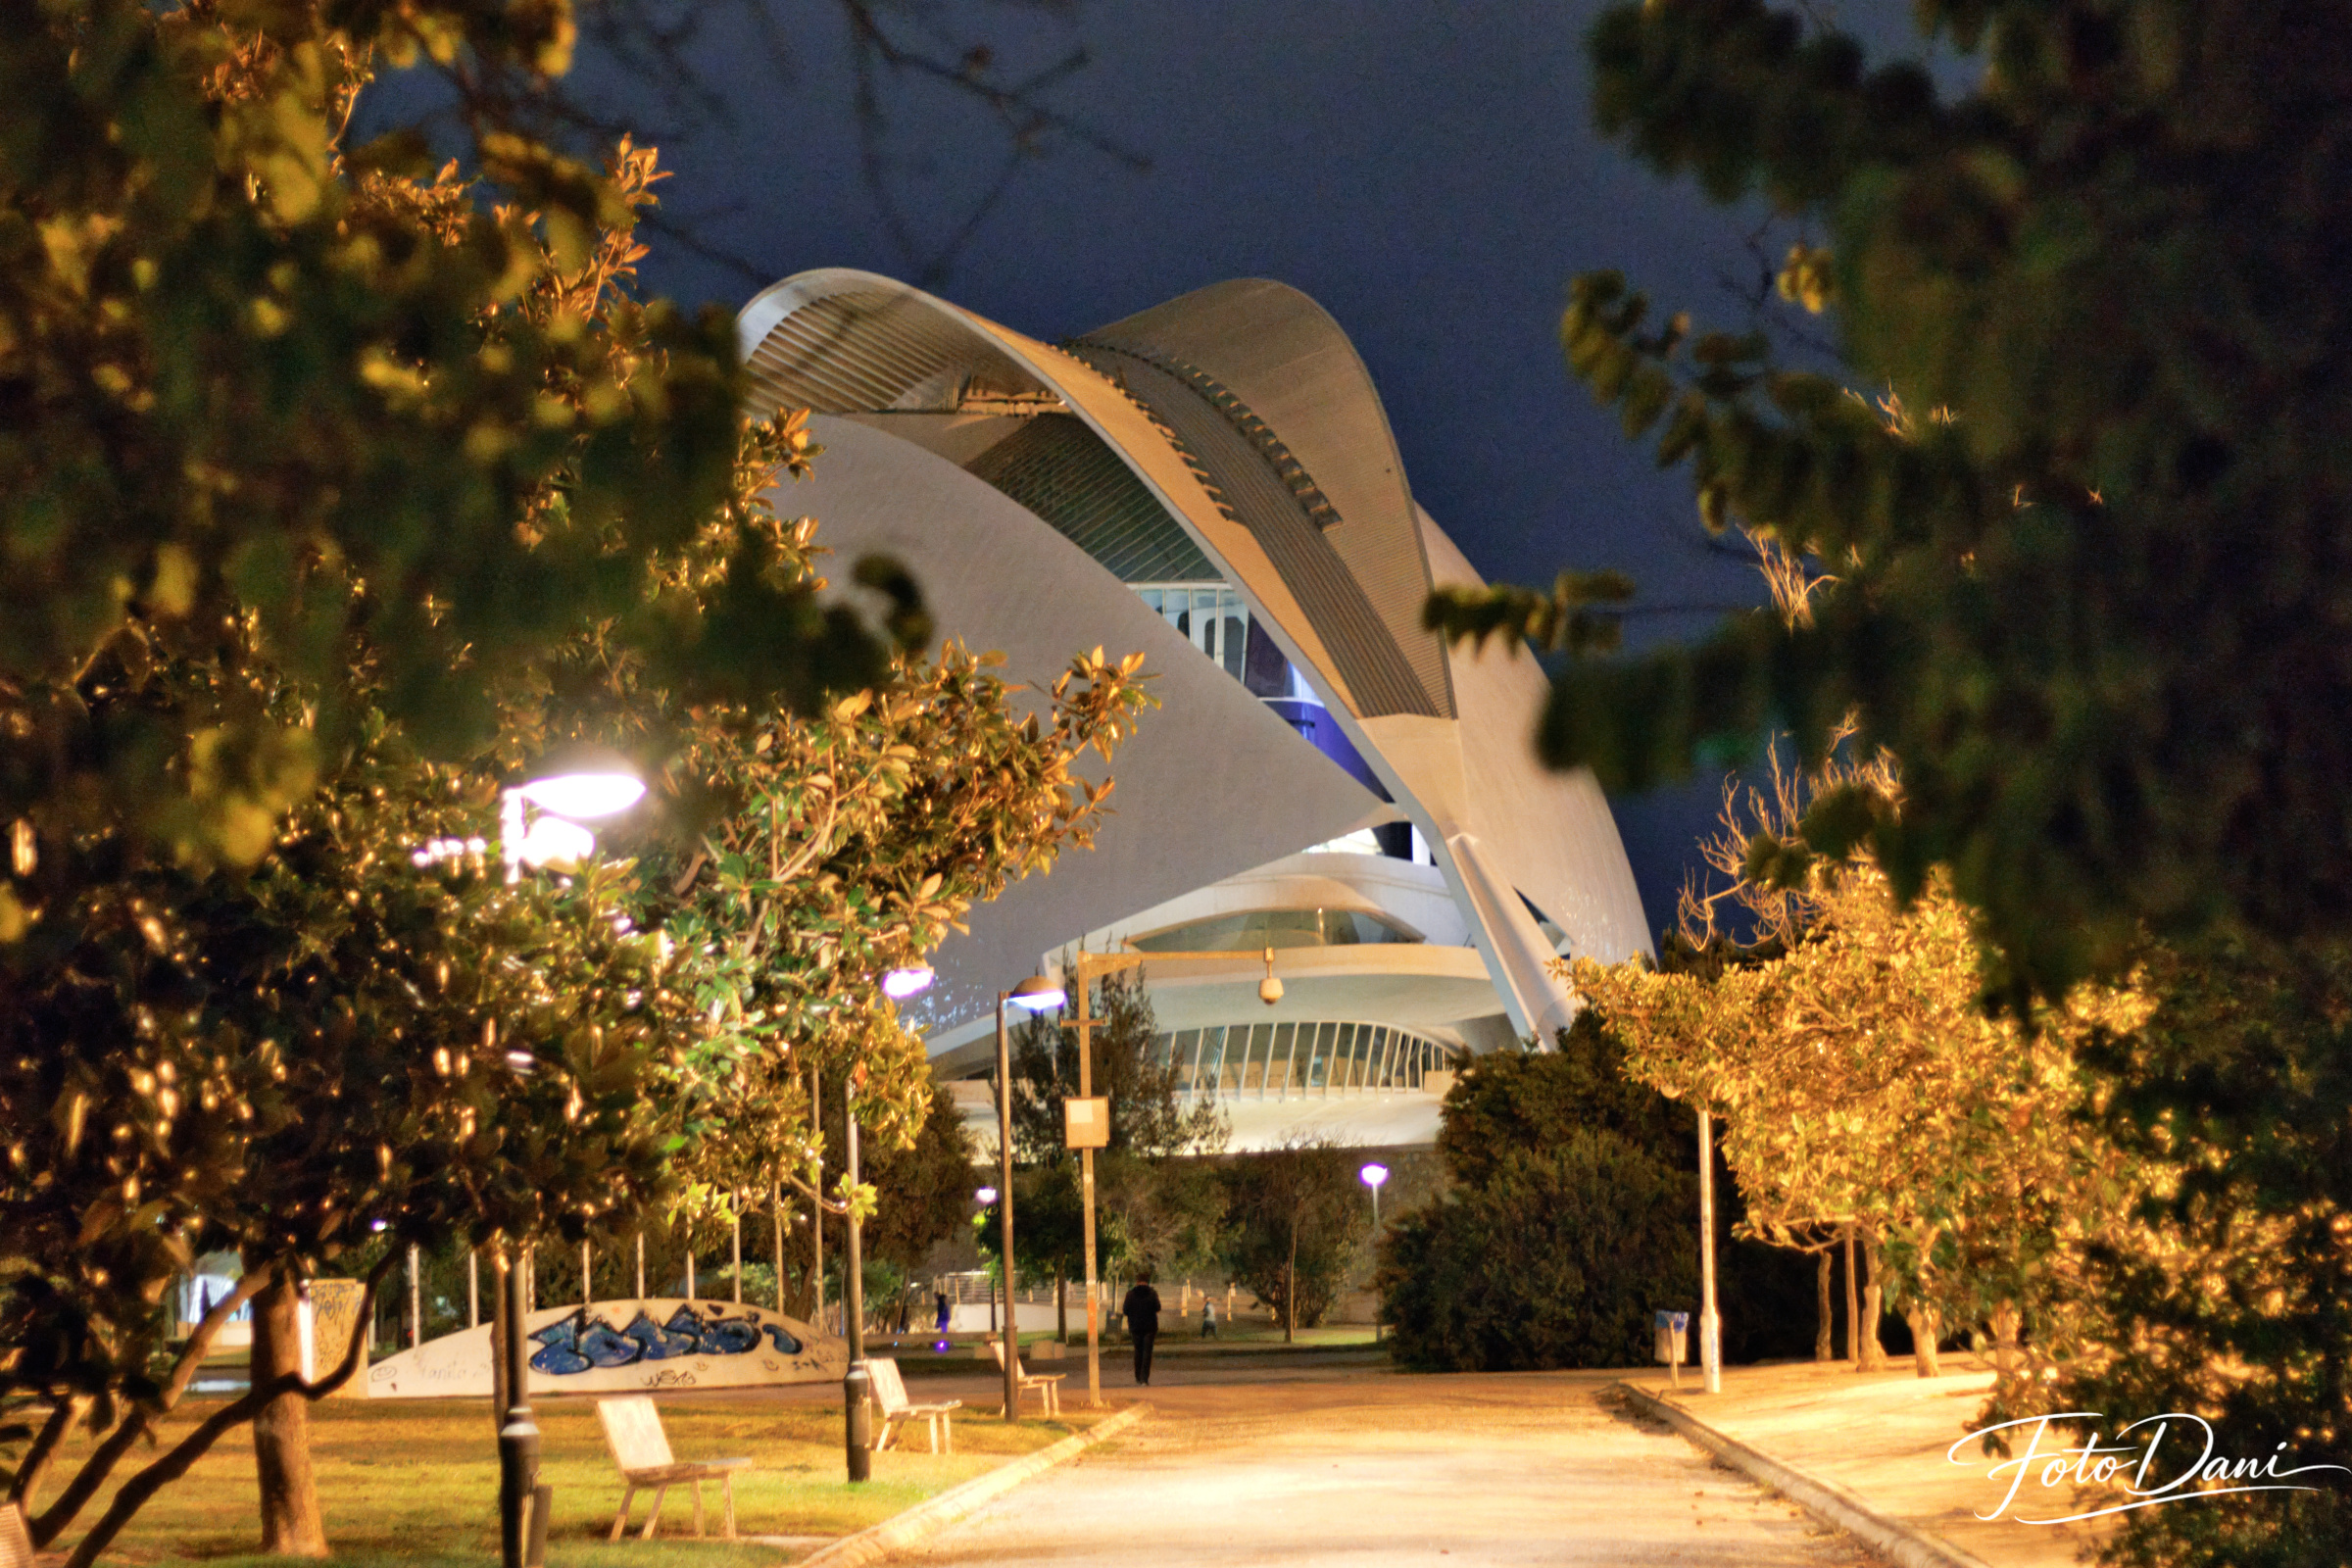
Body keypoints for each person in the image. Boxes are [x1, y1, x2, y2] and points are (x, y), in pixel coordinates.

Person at [1120, 1270, 1163, 1386]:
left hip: (1135, 1326)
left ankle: (1138, 1377)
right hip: (1150, 1327)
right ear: (1147, 1281)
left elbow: (1125, 1310)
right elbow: (1158, 1307)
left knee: (1138, 1351)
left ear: (1137, 1281)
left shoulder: (1130, 1294)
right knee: (1147, 1352)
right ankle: (1144, 1378)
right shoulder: (1152, 1293)